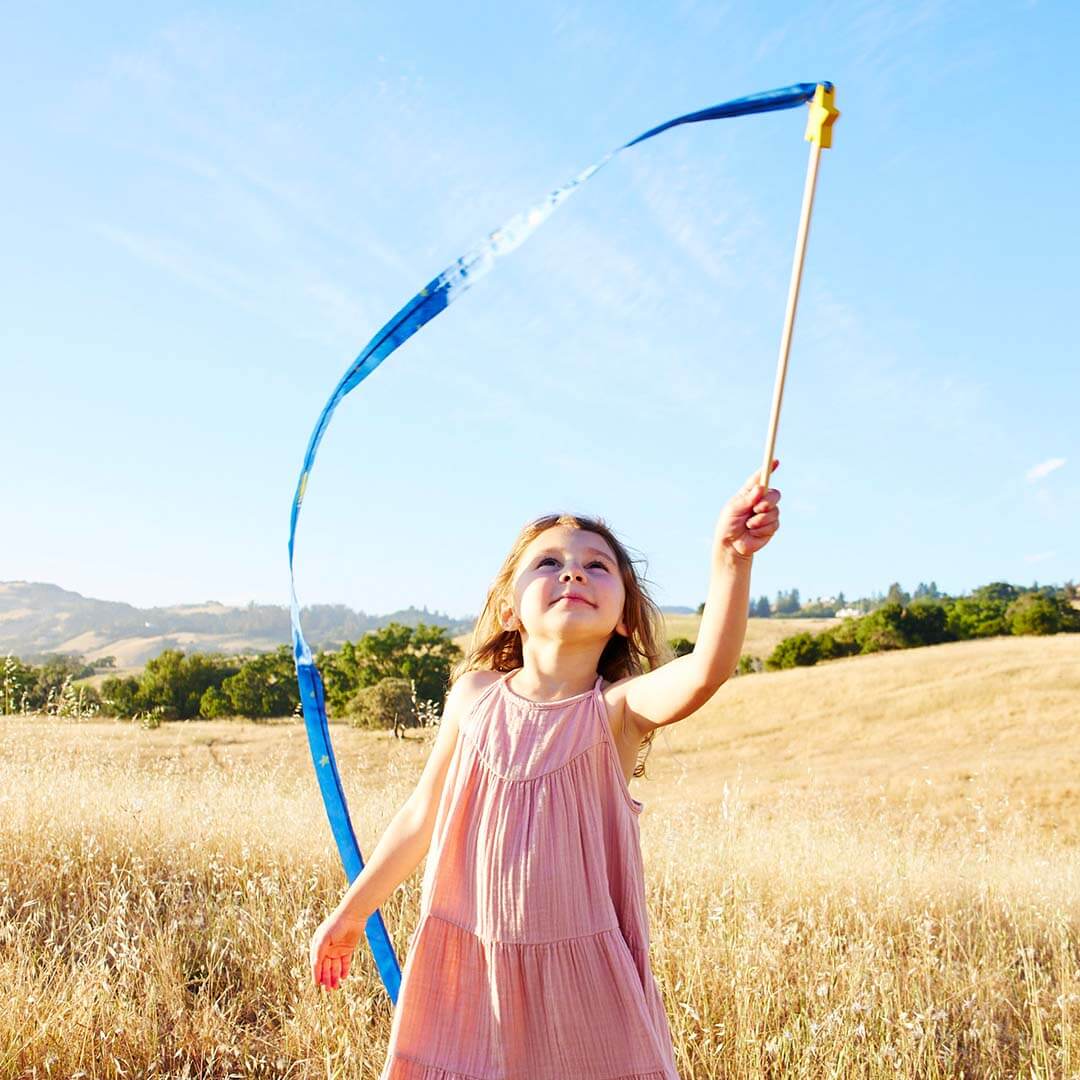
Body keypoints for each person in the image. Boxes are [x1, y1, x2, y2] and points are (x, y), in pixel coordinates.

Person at [309, 461, 782, 1078]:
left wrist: (731, 559)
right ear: (510, 610)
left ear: (622, 618)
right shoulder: (473, 696)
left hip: (584, 983)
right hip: (472, 966)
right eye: (549, 562)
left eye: (596, 565)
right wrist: (353, 911)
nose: (573, 572)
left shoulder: (615, 710)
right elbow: (420, 817)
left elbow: (706, 670)